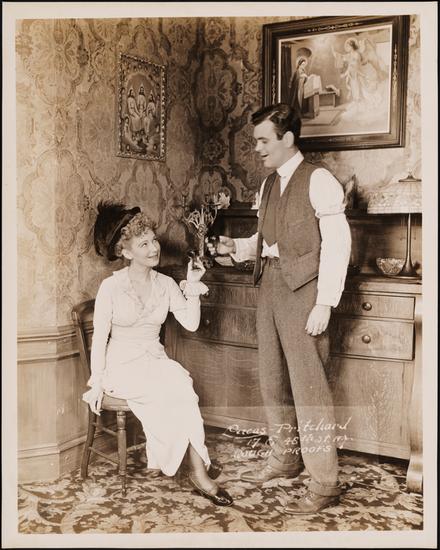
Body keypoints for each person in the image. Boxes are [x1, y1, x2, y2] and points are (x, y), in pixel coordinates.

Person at [207, 103, 351, 514]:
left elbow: (338, 245)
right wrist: (237, 247)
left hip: (304, 292)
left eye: (263, 140)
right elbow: (268, 241)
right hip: (269, 285)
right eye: (255, 141)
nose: (257, 148)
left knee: (309, 388)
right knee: (272, 379)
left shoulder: (318, 179)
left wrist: (324, 303)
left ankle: (325, 482)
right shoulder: (268, 184)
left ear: (287, 139)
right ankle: (286, 459)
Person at [83, 201, 233, 507]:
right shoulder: (111, 287)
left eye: (153, 240)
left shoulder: (165, 284)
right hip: (121, 365)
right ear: (126, 252)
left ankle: (195, 466)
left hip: (154, 358)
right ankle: (198, 469)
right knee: (173, 390)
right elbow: (99, 338)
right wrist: (96, 382)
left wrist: (193, 286)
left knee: (182, 387)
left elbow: (191, 324)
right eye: (144, 244)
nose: (154, 248)